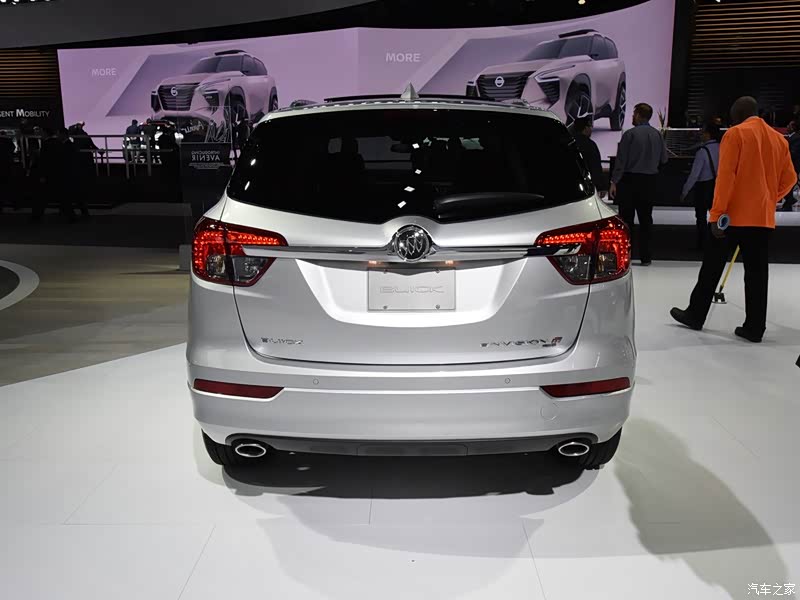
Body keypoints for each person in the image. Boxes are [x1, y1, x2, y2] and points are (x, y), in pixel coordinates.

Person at [670, 96, 797, 343]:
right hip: (762, 218)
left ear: (738, 114)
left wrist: (716, 214)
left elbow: (726, 177)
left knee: (712, 267)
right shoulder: (778, 139)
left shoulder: (735, 134)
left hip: (732, 217)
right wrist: (769, 198)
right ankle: (754, 328)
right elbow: (790, 178)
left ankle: (695, 314)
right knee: (757, 274)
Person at [609, 102, 669, 265]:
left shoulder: (629, 134)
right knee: (646, 220)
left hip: (630, 181)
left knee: (626, 221)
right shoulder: (657, 135)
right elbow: (664, 159)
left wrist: (614, 181)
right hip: (649, 181)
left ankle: (625, 256)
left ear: (639, 115)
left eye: (634, 114)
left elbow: (621, 161)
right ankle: (646, 257)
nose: (632, 116)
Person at [681, 122, 722, 250]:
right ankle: (717, 240)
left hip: (703, 187)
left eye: (703, 132)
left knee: (701, 216)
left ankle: (703, 242)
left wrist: (685, 191)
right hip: (718, 185)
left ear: (708, 134)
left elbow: (694, 175)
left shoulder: (702, 152)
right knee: (717, 215)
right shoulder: (723, 148)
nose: (701, 134)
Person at [572, 116, 604, 193]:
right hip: (586, 186)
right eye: (590, 127)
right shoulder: (590, 145)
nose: (591, 129)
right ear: (586, 128)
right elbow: (595, 167)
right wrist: (600, 186)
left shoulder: (568, 143)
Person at [782, 120, 800, 211]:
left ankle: (789, 203)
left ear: (793, 127)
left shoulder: (797, 138)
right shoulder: (791, 137)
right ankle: (789, 201)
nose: (787, 127)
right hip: (789, 165)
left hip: (793, 165)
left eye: (788, 125)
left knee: (788, 183)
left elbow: (793, 153)